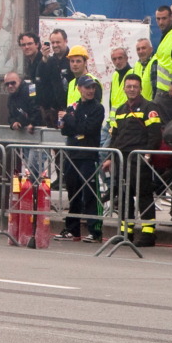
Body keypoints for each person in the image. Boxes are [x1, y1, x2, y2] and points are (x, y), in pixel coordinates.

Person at [104, 74, 162, 247]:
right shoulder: (120, 110)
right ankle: (125, 232)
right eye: (128, 86)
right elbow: (115, 136)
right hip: (122, 158)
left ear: (140, 88)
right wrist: (109, 157)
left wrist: (147, 155)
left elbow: (155, 135)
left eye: (135, 86)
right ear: (124, 88)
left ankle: (148, 233)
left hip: (139, 158)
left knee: (143, 195)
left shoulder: (149, 107)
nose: (131, 89)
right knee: (123, 196)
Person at [55, 75, 105, 243]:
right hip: (73, 154)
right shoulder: (73, 106)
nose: (90, 91)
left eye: (92, 88)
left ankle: (95, 230)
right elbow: (66, 130)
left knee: (90, 193)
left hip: (88, 155)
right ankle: (72, 229)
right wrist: (68, 122)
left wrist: (70, 120)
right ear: (79, 89)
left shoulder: (98, 108)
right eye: (87, 87)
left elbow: (87, 128)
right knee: (73, 192)